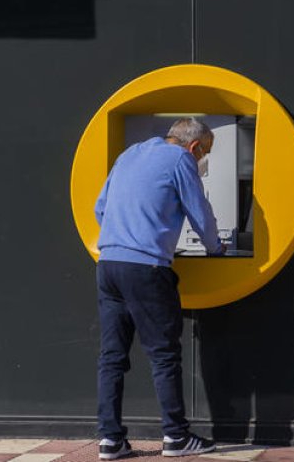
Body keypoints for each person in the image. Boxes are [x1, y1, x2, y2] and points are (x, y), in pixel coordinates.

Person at [94, 118, 225, 460]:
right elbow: (200, 213)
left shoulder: (130, 153)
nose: (202, 160)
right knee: (163, 355)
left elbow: (100, 208)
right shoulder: (181, 160)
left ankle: (110, 440)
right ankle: (176, 437)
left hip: (108, 264)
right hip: (146, 269)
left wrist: (127, 235)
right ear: (194, 147)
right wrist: (215, 248)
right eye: (205, 153)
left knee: (111, 357)